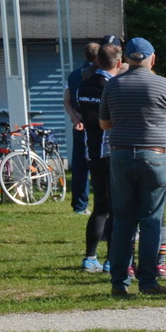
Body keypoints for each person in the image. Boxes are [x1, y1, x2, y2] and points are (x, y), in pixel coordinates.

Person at [99, 37, 166, 296]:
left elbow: (104, 124)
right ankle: (148, 282)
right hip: (155, 157)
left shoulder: (113, 85)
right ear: (152, 58)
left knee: (123, 221)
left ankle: (119, 284)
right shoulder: (163, 84)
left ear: (126, 59)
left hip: (121, 155)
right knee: (151, 221)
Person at [75, 42, 118, 272]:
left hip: (91, 150)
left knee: (100, 206)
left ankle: (90, 257)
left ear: (97, 61)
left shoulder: (84, 86)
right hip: (109, 151)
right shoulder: (113, 87)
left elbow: (80, 113)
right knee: (115, 208)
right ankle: (112, 259)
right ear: (118, 63)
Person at [64, 40, 101, 212]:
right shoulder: (98, 75)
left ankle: (79, 205)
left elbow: (66, 101)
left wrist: (75, 117)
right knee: (98, 164)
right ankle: (101, 201)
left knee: (79, 166)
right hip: (96, 125)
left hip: (78, 125)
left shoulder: (73, 75)